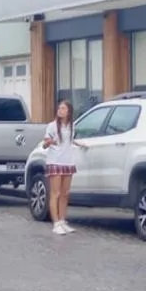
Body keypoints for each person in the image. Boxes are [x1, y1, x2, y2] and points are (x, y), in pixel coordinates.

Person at [43, 100, 87, 235]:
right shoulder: (51, 126)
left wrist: (80, 144)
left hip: (68, 162)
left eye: (63, 108)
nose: (60, 110)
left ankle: (62, 220)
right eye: (59, 108)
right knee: (55, 193)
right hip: (55, 161)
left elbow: (69, 140)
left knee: (65, 193)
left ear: (69, 112)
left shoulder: (72, 126)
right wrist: (50, 142)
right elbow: (45, 144)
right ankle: (56, 222)